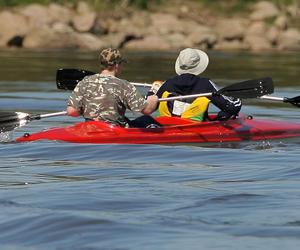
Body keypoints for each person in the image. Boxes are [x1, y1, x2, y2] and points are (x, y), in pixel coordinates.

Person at [67, 48, 159, 128]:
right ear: (117, 65)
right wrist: (153, 98)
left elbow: (72, 112)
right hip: (114, 130)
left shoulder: (85, 82)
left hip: (90, 128)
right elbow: (147, 110)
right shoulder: (123, 85)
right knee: (146, 119)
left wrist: (86, 109)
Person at [154, 48, 242, 121]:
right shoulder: (206, 85)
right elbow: (231, 108)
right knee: (228, 114)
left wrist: (152, 91)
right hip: (195, 127)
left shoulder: (168, 84)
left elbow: (149, 107)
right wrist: (237, 99)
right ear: (198, 66)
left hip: (167, 126)